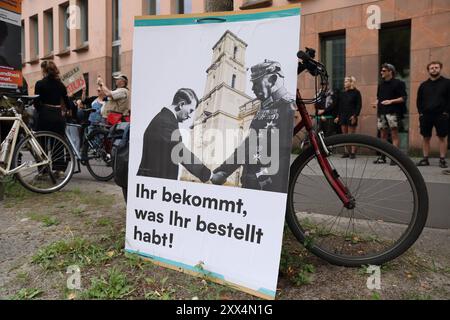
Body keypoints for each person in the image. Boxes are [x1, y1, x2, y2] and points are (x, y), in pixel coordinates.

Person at [211, 60, 295, 193]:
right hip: (249, 182)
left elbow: (284, 154)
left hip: (267, 187)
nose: (252, 88)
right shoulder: (264, 106)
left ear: (272, 80)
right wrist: (224, 170)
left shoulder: (288, 106)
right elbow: (249, 143)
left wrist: (260, 177)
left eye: (256, 83)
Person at [137, 88, 211, 182]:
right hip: (156, 184)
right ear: (181, 105)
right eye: (191, 111)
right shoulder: (166, 122)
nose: (189, 116)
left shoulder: (164, 118)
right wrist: (208, 175)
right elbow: (180, 153)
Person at [34, 60, 71, 176]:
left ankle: (43, 170)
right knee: (58, 142)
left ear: (44, 70)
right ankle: (59, 169)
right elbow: (67, 102)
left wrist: (42, 110)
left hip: (45, 114)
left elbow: (36, 102)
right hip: (58, 115)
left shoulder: (39, 84)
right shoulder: (61, 85)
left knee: (42, 142)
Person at [416, 61, 449, 168]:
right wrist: (421, 113)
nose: (434, 69)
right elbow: (419, 100)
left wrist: (446, 112)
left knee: (442, 137)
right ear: (428, 70)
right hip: (426, 115)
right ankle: (425, 159)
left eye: (436, 67)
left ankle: (442, 159)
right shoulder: (423, 85)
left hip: (441, 115)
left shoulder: (447, 83)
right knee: (425, 137)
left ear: (440, 68)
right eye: (431, 68)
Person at [374, 63, 407, 165]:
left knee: (394, 135)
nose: (381, 72)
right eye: (381, 70)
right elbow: (379, 98)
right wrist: (376, 103)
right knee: (382, 135)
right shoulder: (381, 85)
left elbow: (403, 98)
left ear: (390, 72)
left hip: (393, 112)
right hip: (382, 112)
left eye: (384, 71)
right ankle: (382, 157)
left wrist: (391, 101)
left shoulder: (399, 83)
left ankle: (395, 158)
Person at [335, 76, 362, 159]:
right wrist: (338, 116)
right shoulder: (342, 93)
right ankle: (347, 152)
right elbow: (340, 106)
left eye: (346, 81)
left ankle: (353, 153)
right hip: (343, 116)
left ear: (351, 82)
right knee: (344, 135)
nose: (345, 83)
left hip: (351, 116)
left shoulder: (356, 92)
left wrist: (355, 115)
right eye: (344, 81)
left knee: (351, 135)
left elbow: (359, 105)